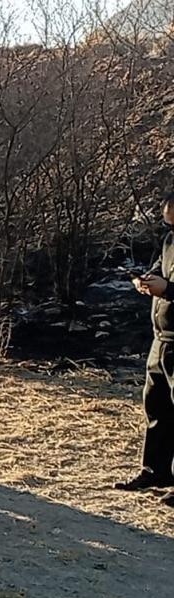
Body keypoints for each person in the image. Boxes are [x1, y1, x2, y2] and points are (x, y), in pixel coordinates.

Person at [117, 191, 174, 491]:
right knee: (156, 408)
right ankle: (155, 472)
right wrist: (145, 281)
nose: (171, 230)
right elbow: (158, 270)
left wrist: (168, 289)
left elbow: (170, 285)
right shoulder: (169, 243)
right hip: (161, 339)